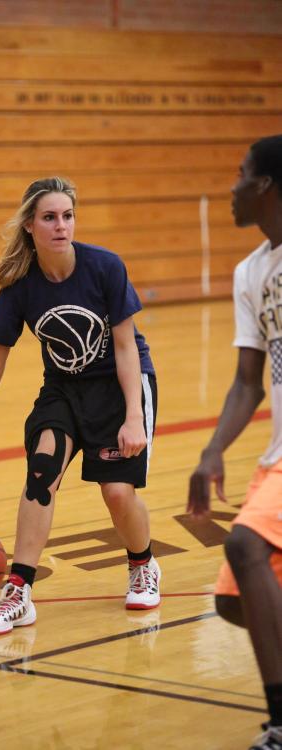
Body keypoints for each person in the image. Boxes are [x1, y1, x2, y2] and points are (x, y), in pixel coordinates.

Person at [0, 176, 161, 637]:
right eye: (49, 217)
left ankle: (143, 564)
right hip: (62, 388)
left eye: (67, 216)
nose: (61, 226)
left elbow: (125, 348)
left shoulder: (105, 267)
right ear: (30, 226)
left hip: (119, 386)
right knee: (42, 470)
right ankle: (19, 591)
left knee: (117, 494)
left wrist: (134, 417)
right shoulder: (21, 285)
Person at [187, 135, 282, 750]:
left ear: (268, 186)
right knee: (233, 603)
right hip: (277, 455)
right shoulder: (251, 272)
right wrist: (212, 449)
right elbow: (249, 380)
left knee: (246, 547)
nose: (232, 186)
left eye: (242, 174)